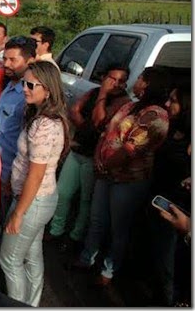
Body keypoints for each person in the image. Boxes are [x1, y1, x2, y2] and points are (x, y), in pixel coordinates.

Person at [76, 66, 170, 287]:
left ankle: (109, 269)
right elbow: (106, 131)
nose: (135, 82)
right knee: (97, 219)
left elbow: (131, 149)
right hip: (106, 173)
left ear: (148, 83)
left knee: (119, 226)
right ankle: (87, 258)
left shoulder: (157, 115)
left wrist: (106, 165)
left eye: (139, 78)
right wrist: (101, 159)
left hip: (128, 179)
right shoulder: (131, 106)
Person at [0, 61, 69, 307]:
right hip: (39, 199)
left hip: (33, 202)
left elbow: (36, 175)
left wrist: (18, 213)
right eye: (24, 84)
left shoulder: (43, 125)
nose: (25, 89)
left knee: (9, 260)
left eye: (31, 85)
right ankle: (32, 303)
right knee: (31, 256)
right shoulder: (41, 117)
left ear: (47, 89)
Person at [48, 66, 131, 244]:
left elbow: (100, 120)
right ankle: (56, 229)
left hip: (93, 156)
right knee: (63, 192)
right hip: (78, 149)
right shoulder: (93, 92)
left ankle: (75, 236)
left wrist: (103, 95)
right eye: (112, 78)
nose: (115, 84)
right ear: (104, 77)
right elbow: (75, 110)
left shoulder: (122, 102)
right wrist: (88, 127)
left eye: (120, 81)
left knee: (86, 200)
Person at [146, 84, 191, 306]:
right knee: (160, 261)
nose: (167, 104)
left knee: (170, 268)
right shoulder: (172, 128)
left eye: (173, 100)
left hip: (179, 213)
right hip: (160, 200)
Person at [0, 37, 37, 244]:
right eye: (5, 59)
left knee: (5, 228)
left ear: (30, 61)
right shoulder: (9, 87)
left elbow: (27, 146)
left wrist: (11, 177)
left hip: (10, 175)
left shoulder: (28, 98)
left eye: (13, 60)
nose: (7, 64)